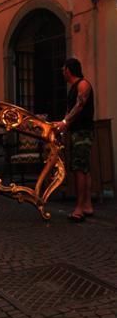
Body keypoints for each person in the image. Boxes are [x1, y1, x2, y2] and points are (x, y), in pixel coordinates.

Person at [53, 58, 95, 222]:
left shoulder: (83, 84)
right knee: (84, 168)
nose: (62, 73)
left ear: (69, 70)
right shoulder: (72, 88)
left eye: (63, 70)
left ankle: (79, 209)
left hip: (83, 132)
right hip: (77, 132)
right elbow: (70, 111)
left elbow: (80, 106)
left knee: (79, 168)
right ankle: (87, 206)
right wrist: (62, 125)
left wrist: (65, 122)